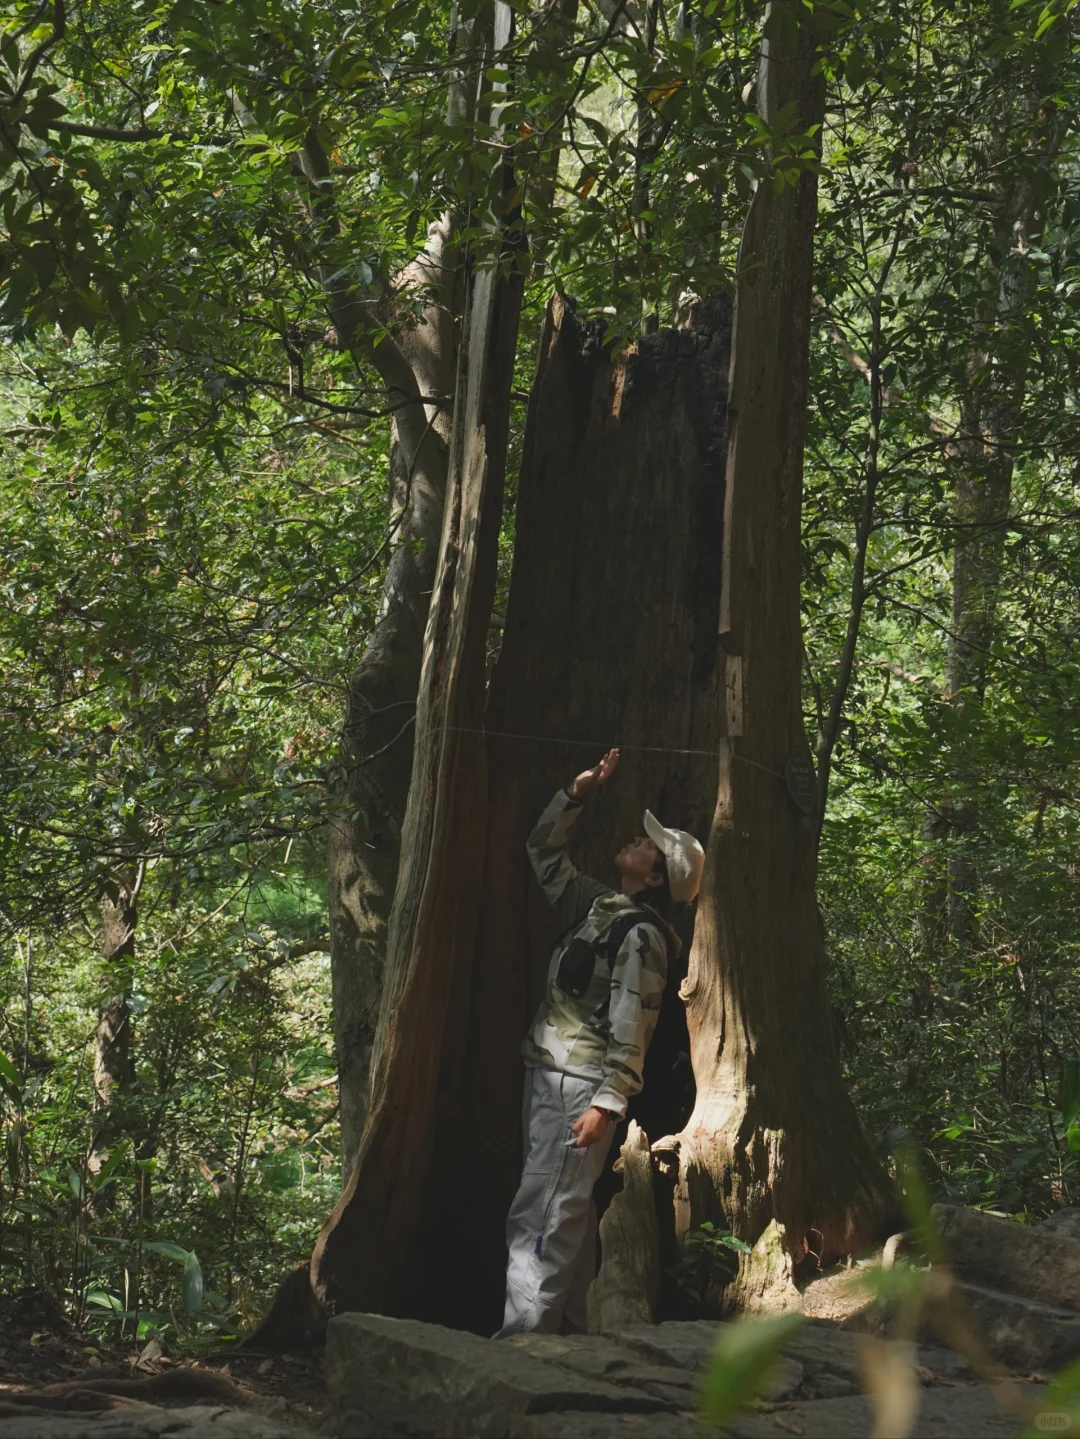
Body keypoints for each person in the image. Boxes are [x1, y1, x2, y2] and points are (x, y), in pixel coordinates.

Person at [496, 747, 706, 1337]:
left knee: (543, 1211)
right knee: (567, 1211)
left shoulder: (641, 936)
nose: (635, 843)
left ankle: (518, 1352)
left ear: (656, 875)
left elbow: (632, 1023)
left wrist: (606, 1103)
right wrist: (577, 793)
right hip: (552, 1075)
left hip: (579, 1089)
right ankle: (576, 1341)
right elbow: (541, 850)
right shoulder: (601, 906)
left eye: (647, 846)